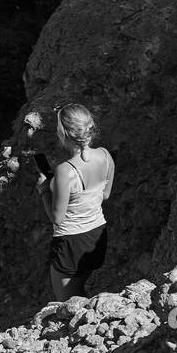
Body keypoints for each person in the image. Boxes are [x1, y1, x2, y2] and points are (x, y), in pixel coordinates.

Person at [36, 103, 115, 301]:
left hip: (71, 241)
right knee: (79, 290)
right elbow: (104, 195)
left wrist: (44, 189)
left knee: (68, 302)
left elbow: (57, 217)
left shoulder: (65, 170)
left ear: (63, 133)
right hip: (98, 234)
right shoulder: (105, 155)